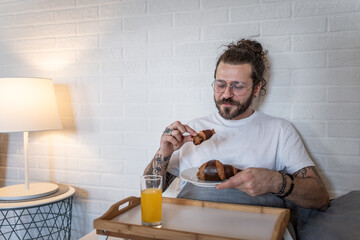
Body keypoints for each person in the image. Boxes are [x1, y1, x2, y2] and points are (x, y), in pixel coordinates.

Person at [144, 38, 329, 211]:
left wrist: (275, 182)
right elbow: (150, 189)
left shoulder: (280, 130)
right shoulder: (192, 129)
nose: (226, 94)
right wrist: (164, 153)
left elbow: (320, 198)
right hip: (191, 227)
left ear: (256, 89)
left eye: (238, 86)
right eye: (220, 84)